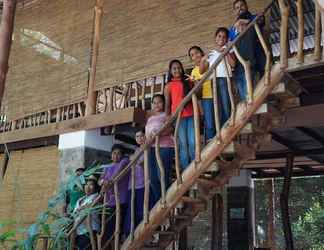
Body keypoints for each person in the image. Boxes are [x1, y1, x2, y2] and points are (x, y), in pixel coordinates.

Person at [199, 28, 236, 128]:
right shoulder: (211, 53)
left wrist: (226, 52)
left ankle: (228, 126)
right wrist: (203, 59)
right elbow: (201, 71)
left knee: (226, 104)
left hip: (225, 79)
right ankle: (223, 127)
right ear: (215, 38)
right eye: (219, 36)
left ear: (227, 39)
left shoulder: (230, 49)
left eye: (224, 37)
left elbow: (233, 64)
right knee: (218, 106)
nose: (221, 38)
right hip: (214, 81)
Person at [164, 59, 195, 170]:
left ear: (182, 69)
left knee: (192, 142)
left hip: (191, 115)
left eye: (178, 68)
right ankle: (187, 170)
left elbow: (197, 94)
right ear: (171, 71)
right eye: (174, 68)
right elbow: (167, 104)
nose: (177, 70)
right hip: (178, 118)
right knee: (183, 144)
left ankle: (195, 167)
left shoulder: (187, 81)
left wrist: (194, 82)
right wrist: (167, 119)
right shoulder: (168, 85)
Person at [145, 94, 174, 207]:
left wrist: (158, 134)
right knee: (152, 178)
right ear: (152, 105)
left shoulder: (166, 115)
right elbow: (148, 135)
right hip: (151, 148)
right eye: (154, 102)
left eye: (159, 102)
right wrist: (147, 139)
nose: (157, 104)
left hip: (165, 146)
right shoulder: (150, 119)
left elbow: (171, 129)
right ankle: (160, 200)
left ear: (163, 103)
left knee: (161, 173)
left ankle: (166, 197)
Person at [229, 0, 266, 78]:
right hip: (243, 64)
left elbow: (261, 20)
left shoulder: (255, 17)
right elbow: (230, 43)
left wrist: (244, 21)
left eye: (242, 5)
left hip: (258, 59)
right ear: (235, 11)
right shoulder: (232, 29)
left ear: (246, 6)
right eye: (237, 8)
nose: (240, 9)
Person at [100, 144, 130, 240]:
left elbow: (117, 175)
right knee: (107, 227)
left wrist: (108, 182)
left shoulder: (124, 162)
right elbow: (100, 180)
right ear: (111, 154)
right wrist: (103, 182)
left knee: (116, 225)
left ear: (122, 155)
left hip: (120, 199)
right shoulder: (107, 167)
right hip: (108, 201)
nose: (116, 156)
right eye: (114, 153)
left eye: (118, 154)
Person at [231, 11, 258, 101]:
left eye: (243, 24)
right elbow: (231, 33)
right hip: (238, 72)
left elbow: (258, 18)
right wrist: (237, 24)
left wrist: (244, 21)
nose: (241, 27)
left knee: (248, 96)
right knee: (243, 98)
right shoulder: (235, 39)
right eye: (239, 25)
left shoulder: (250, 33)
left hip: (248, 68)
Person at [124, 129, 146, 236]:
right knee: (130, 209)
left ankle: (139, 232)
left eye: (142, 135)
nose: (139, 138)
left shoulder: (149, 148)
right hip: (131, 184)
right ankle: (128, 233)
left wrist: (136, 161)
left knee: (140, 209)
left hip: (142, 183)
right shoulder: (137, 150)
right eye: (137, 136)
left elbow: (145, 164)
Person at [73, 175, 101, 250]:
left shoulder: (97, 197)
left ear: (95, 187)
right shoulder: (80, 200)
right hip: (78, 232)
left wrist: (81, 208)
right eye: (86, 184)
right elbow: (74, 214)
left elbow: (89, 206)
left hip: (90, 230)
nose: (88, 187)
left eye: (91, 185)